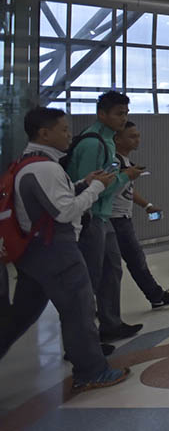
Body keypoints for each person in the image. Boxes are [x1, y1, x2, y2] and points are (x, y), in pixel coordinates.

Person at [0, 107, 131, 391]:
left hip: (33, 252)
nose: (69, 135)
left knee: (20, 315)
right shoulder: (46, 167)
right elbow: (64, 212)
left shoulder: (28, 162)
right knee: (79, 309)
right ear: (44, 133)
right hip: (55, 249)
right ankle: (92, 371)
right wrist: (94, 188)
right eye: (63, 130)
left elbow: (52, 200)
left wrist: (82, 183)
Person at [65, 91, 144, 343]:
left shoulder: (107, 141)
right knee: (89, 279)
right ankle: (82, 342)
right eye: (119, 114)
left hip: (103, 217)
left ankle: (110, 324)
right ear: (102, 114)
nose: (124, 118)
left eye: (126, 113)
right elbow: (92, 188)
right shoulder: (94, 143)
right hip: (90, 219)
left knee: (111, 270)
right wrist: (125, 177)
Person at [111, 122, 169, 309]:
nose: (137, 140)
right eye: (132, 136)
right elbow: (107, 188)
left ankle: (156, 296)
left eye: (138, 135)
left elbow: (127, 191)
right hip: (114, 219)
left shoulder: (126, 163)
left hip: (123, 218)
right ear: (117, 139)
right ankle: (155, 296)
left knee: (134, 260)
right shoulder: (114, 162)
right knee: (128, 262)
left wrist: (147, 205)